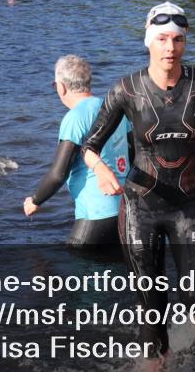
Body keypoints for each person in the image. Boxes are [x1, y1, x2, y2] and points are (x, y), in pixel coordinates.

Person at [82, 1, 195, 372]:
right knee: (150, 299)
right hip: (141, 206)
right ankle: (159, 371)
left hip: (192, 204)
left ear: (185, 42)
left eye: (178, 39)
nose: (171, 47)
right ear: (149, 41)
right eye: (163, 39)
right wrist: (101, 169)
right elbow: (89, 146)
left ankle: (190, 355)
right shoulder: (126, 89)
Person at [23, 56, 133, 255]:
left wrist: (35, 200)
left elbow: (59, 173)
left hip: (96, 213)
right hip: (126, 213)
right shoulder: (115, 109)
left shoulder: (75, 118)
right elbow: (134, 155)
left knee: (72, 275)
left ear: (61, 87)